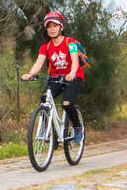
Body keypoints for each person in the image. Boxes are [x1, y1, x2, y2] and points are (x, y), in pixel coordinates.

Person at [21, 11, 86, 144]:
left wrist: (72, 72)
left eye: (55, 26)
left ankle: (78, 127)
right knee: (44, 99)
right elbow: (39, 63)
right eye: (49, 26)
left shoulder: (70, 42)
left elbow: (74, 59)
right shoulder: (45, 47)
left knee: (67, 104)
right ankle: (47, 129)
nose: (52, 29)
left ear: (61, 27)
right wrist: (30, 74)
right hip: (55, 78)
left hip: (73, 78)